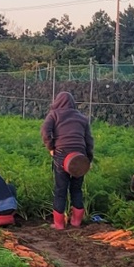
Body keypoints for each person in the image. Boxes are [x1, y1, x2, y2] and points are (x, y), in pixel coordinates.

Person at [40, 91, 94, 229]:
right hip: (80, 156)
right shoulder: (82, 118)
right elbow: (89, 141)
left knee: (60, 189)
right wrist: (89, 159)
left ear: (57, 101)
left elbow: (45, 131)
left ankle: (59, 224)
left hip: (61, 154)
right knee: (77, 189)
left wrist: (51, 147)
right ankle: (76, 222)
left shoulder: (54, 114)